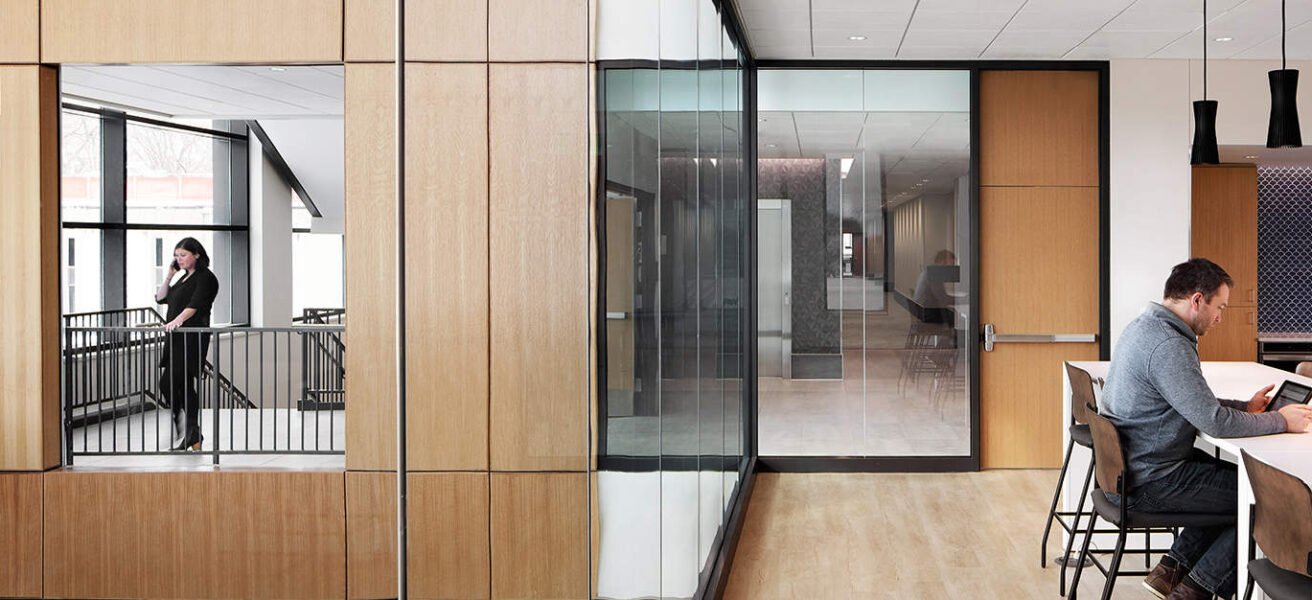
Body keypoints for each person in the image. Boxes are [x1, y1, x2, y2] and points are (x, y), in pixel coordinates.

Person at [1100, 258, 1312, 600]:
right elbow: (1212, 422)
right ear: (1197, 300)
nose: (1220, 318)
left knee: (1238, 482)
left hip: (1132, 471)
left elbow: (1190, 401)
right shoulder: (1169, 345)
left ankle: (1171, 572)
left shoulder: (1144, 327)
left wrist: (1245, 408)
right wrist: (1282, 420)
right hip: (1150, 481)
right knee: (1262, 500)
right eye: (1220, 307)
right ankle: (1195, 590)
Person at [155, 237, 220, 451]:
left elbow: (196, 304)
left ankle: (190, 429)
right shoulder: (183, 278)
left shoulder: (206, 278)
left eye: (183, 255)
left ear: (197, 255)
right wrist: (169, 275)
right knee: (174, 384)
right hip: (175, 337)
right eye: (177, 255)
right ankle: (192, 431)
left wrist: (177, 321)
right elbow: (161, 297)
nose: (179, 259)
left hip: (191, 337)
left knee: (177, 381)